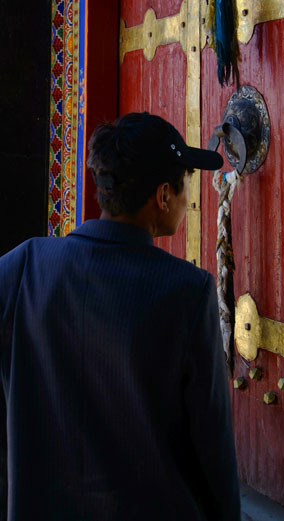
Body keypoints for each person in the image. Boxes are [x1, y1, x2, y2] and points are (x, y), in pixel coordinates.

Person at [0, 112, 241, 521]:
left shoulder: (24, 265)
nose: (188, 201)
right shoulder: (188, 291)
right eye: (185, 187)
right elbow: (212, 445)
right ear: (163, 195)